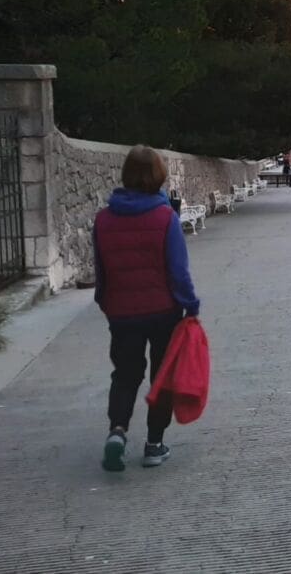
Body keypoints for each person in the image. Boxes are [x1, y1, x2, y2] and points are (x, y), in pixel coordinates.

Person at [93, 145, 200, 472]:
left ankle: (117, 431)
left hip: (121, 312)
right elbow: (178, 271)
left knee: (125, 374)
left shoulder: (104, 219)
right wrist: (191, 305)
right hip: (163, 311)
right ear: (158, 175)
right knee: (161, 376)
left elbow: (101, 269)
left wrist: (105, 301)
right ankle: (154, 444)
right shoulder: (165, 217)